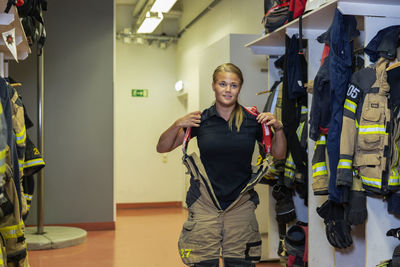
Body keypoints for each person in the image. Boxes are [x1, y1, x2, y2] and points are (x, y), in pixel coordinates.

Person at [156, 63, 287, 267]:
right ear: (214, 86)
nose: (228, 89)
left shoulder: (253, 121)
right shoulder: (201, 121)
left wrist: (278, 129)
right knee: (203, 263)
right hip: (205, 203)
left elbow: (279, 154)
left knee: (240, 263)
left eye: (233, 85)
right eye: (222, 84)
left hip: (240, 204)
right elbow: (162, 147)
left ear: (240, 88)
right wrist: (177, 124)